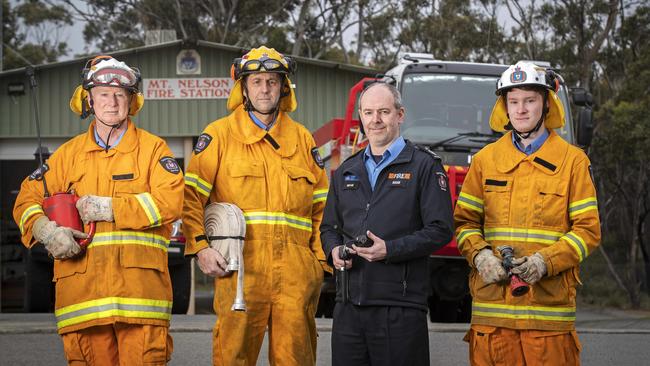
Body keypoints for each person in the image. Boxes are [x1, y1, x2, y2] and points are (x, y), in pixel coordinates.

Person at [13, 55, 184, 365]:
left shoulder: (153, 150)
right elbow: (26, 200)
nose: (112, 102)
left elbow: (170, 201)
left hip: (140, 301)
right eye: (104, 94)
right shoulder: (67, 156)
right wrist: (45, 231)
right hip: (84, 302)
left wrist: (110, 208)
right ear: (88, 99)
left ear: (132, 100)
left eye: (120, 94)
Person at [182, 45, 330, 365]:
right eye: (257, 81)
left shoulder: (303, 139)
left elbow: (323, 209)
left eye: (273, 82)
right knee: (233, 357)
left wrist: (317, 264)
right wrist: (201, 248)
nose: (265, 88)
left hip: (296, 278)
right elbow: (191, 198)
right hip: (239, 275)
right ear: (244, 88)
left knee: (297, 360)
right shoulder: (219, 135)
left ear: (283, 88)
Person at [454, 61, 601, 365]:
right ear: (504, 107)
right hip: (492, 317)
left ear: (546, 105)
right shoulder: (484, 161)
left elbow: (587, 231)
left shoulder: (572, 162)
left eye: (530, 101)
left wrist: (544, 263)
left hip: (547, 317)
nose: (521, 110)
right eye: (514, 101)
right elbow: (464, 223)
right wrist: (480, 256)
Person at [320, 82, 454, 366]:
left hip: (400, 308)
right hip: (348, 307)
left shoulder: (424, 166)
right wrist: (333, 251)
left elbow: (440, 229)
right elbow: (328, 228)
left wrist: (390, 249)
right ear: (361, 117)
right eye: (368, 113)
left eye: (383, 111)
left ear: (400, 115)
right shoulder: (346, 170)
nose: (375, 120)